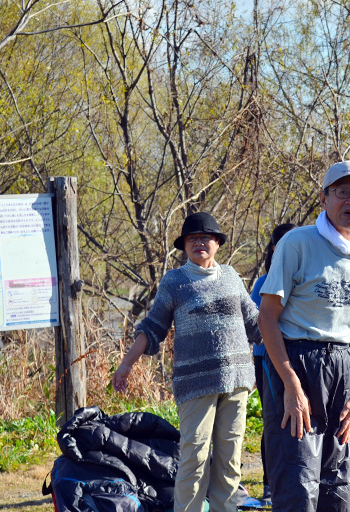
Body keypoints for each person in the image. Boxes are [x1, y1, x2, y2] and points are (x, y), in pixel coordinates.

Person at [112, 212, 261, 512]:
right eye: (192, 238)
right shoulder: (175, 282)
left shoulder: (232, 276)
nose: (199, 243)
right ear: (184, 246)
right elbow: (152, 327)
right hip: (195, 384)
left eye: (206, 237)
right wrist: (126, 364)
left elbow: (257, 324)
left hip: (237, 382)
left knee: (229, 460)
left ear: (217, 243)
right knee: (194, 457)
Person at [258, 160, 350, 512]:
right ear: (324, 198)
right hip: (296, 362)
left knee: (334, 485)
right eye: (343, 192)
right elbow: (267, 317)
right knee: (297, 485)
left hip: (342, 367)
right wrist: (291, 385)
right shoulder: (298, 243)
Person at [249, 222, 298, 505]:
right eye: (282, 243)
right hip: (265, 358)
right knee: (273, 419)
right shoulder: (264, 282)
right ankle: (270, 485)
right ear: (273, 249)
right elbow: (259, 322)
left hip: (298, 356)